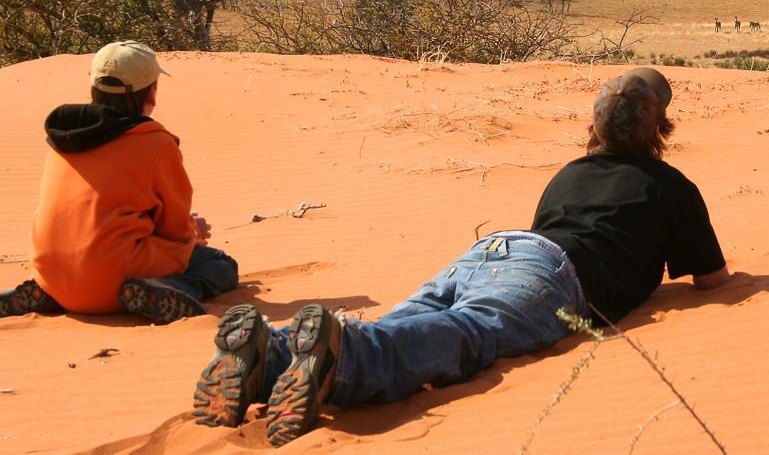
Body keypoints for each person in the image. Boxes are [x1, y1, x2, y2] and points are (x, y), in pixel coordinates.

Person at [192, 67, 730, 447]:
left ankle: (271, 350)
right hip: (552, 271)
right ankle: (343, 357)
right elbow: (711, 280)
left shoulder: (569, 173)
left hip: (492, 250)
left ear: (594, 127)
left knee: (407, 322)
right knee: (468, 333)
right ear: (660, 128)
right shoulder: (670, 185)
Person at [0, 41, 238, 324]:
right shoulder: (155, 143)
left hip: (51, 271)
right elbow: (174, 228)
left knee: (90, 260)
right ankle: (172, 290)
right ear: (151, 93)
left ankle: (48, 293)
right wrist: (195, 231)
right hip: (112, 281)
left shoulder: (65, 135)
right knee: (220, 264)